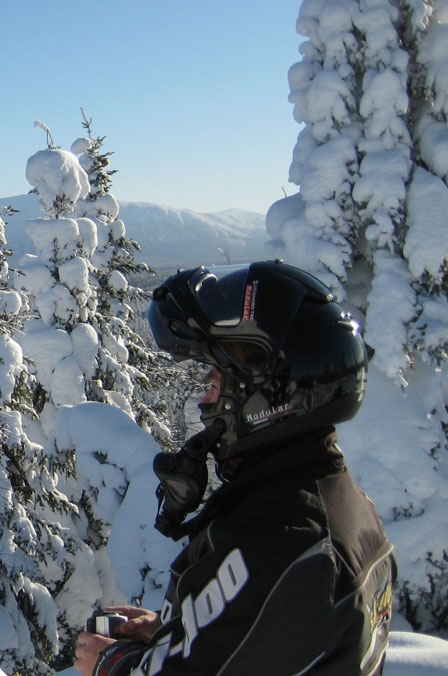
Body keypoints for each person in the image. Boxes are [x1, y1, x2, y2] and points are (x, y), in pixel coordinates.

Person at [74, 260, 397, 676]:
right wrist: (173, 631)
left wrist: (112, 665)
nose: (205, 403)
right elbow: (267, 644)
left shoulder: (278, 542)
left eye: (213, 383)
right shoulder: (333, 504)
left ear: (265, 399)